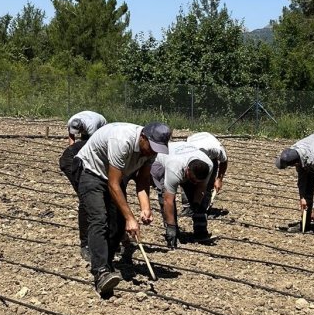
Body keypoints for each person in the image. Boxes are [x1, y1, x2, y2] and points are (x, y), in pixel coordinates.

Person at [74, 122, 171, 295]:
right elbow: (113, 183)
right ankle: (101, 272)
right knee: (99, 219)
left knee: (117, 224)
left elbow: (142, 180)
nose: (152, 152)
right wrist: (130, 218)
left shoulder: (151, 151)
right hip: (91, 172)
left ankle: (107, 262)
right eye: (151, 147)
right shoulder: (122, 140)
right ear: (143, 137)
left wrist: (145, 207)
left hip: (114, 177)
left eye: (157, 149)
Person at [58, 110, 107, 261]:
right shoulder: (72, 121)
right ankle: (85, 244)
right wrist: (73, 151)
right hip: (72, 160)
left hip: (99, 128)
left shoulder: (94, 126)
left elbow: (93, 146)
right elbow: (73, 140)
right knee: (86, 201)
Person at [151, 143, 215, 248]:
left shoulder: (208, 164)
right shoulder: (174, 168)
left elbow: (201, 188)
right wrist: (171, 226)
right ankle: (172, 232)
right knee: (165, 196)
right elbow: (168, 200)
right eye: (193, 179)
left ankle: (200, 232)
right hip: (161, 161)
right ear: (187, 170)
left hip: (182, 157)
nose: (195, 182)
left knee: (200, 200)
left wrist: (196, 204)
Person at [185, 131, 228, 200]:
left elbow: (224, 161)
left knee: (208, 183)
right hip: (193, 144)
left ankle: (204, 204)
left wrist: (219, 179)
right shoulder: (188, 152)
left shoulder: (215, 150)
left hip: (209, 150)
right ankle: (189, 206)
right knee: (189, 184)